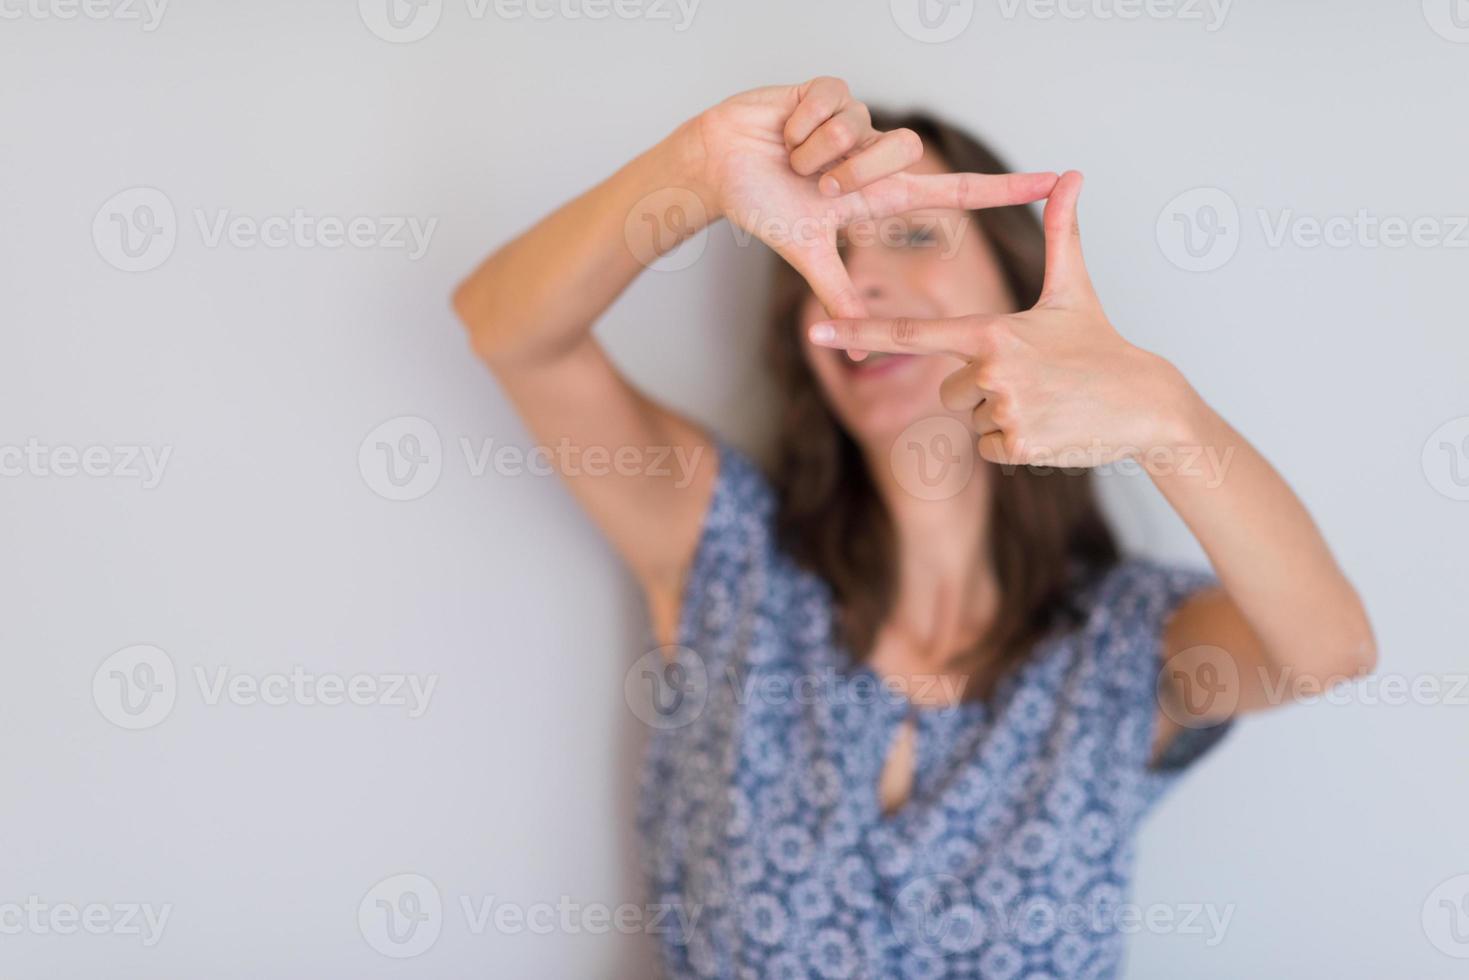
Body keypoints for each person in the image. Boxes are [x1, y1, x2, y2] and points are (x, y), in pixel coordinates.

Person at [452, 77, 1375, 978]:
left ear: (1019, 282)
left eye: (912, 235)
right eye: (835, 252)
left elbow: (1325, 650)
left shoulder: (1125, 642)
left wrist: (1171, 420)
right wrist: (695, 169)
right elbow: (508, 329)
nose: (868, 284)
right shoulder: (728, 553)